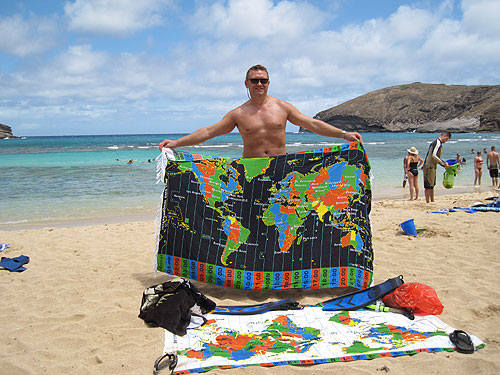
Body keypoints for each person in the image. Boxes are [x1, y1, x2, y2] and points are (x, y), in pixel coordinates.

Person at [159, 65, 362, 157]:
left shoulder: (283, 107)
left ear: (268, 83)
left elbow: (313, 124)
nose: (259, 83)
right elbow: (208, 132)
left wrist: (344, 135)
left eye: (263, 80)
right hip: (251, 170)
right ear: (246, 83)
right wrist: (176, 143)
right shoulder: (237, 114)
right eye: (254, 80)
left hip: (280, 168)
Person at [423, 131, 451, 203]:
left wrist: (443, 164)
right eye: (447, 139)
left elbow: (436, 157)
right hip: (429, 166)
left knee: (432, 184)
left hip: (433, 166)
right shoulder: (437, 143)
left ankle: (432, 200)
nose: (446, 141)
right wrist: (443, 163)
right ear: (445, 136)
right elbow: (434, 155)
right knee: (428, 185)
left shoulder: (438, 143)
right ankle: (427, 201)